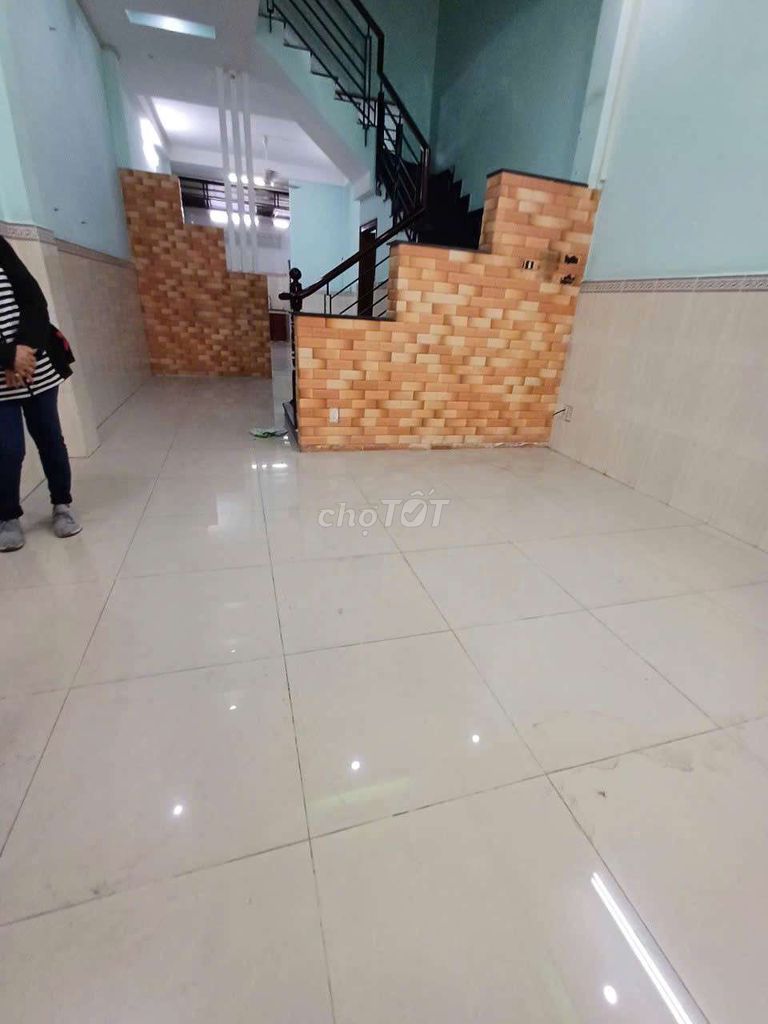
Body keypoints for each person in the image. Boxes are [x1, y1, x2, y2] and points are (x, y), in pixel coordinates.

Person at [0, 236, 81, 552]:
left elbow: (34, 302)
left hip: (35, 366)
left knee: (50, 440)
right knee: (7, 450)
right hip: (3, 376)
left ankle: (62, 505)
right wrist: (8, 358)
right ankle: (7, 517)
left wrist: (24, 351)